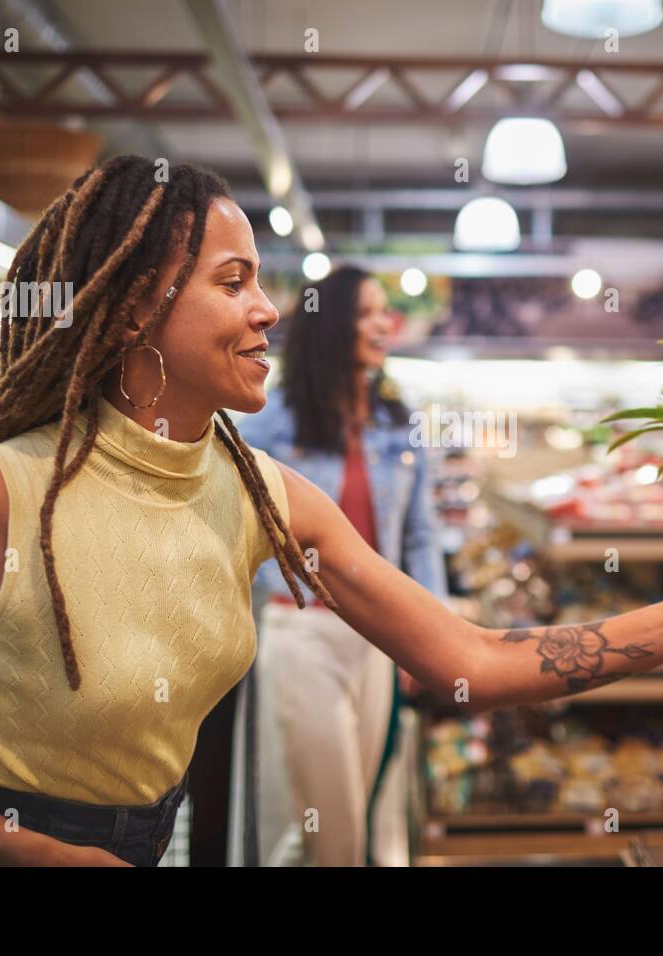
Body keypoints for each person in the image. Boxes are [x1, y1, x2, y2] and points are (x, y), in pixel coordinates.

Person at [0, 156, 663, 867]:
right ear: (129, 311)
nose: (268, 309)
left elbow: (474, 660)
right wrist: (24, 851)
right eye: (231, 282)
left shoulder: (265, 495)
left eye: (261, 282)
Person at [237, 264, 446, 867]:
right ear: (332, 329)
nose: (385, 324)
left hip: (382, 630)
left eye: (385, 312)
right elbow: (237, 524)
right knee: (334, 821)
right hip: (302, 630)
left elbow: (420, 536)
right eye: (367, 313)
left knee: (376, 807)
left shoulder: (398, 425)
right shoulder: (274, 420)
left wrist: (429, 632)